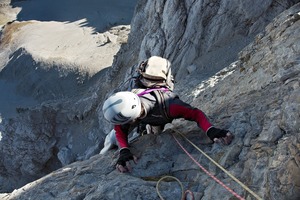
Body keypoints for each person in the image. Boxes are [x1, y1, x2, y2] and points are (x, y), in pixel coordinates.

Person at [102, 89, 234, 173]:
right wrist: (124, 150)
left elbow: (195, 114)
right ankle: (147, 128)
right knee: (114, 137)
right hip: (147, 118)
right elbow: (119, 129)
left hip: (160, 115)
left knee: (152, 130)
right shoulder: (130, 109)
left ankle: (148, 127)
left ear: (132, 119)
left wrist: (210, 130)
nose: (120, 125)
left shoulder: (170, 106)